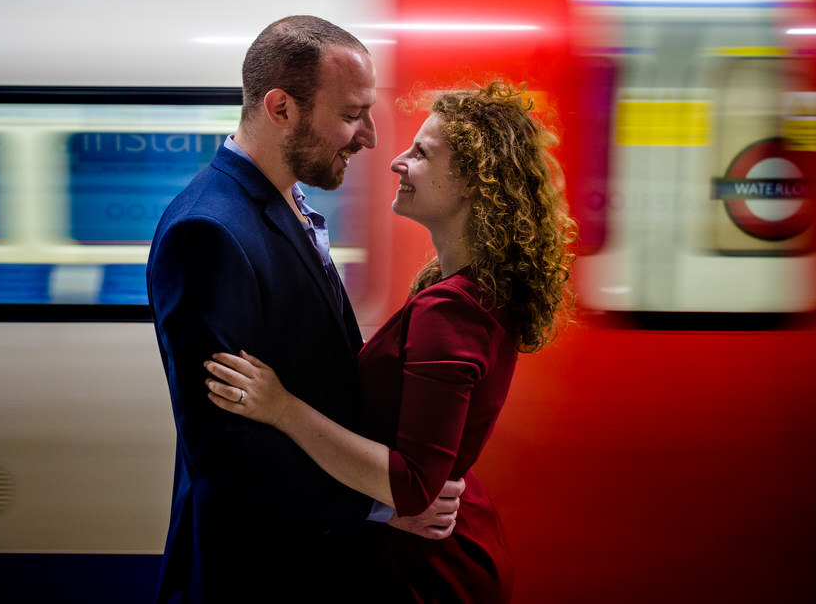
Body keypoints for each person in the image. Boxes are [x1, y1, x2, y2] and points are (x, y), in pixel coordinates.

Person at [204, 81, 576, 603]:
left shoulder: (450, 308)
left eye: (421, 153)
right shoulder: (469, 290)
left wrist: (281, 408)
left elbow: (411, 487)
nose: (397, 160)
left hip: (426, 573)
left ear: (471, 182)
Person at [147, 15, 464, 604]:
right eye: (350, 115)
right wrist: (381, 505)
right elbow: (223, 449)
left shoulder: (279, 202)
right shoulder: (208, 232)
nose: (370, 137)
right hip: (257, 572)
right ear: (281, 109)